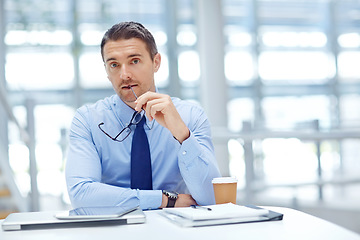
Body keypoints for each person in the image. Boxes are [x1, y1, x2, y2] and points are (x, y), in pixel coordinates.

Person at [65, 21, 221, 210]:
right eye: (114, 64)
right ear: (107, 70)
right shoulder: (88, 120)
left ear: (156, 62)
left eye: (134, 61)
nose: (124, 75)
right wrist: (165, 199)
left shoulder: (190, 116)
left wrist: (182, 134)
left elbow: (211, 197)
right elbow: (81, 195)